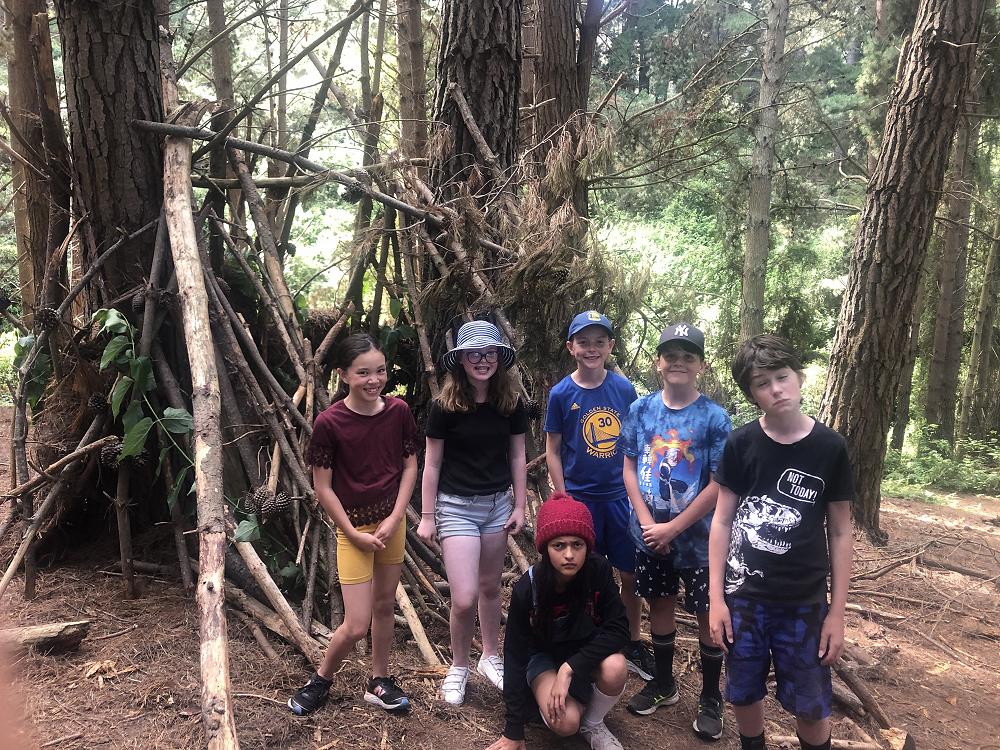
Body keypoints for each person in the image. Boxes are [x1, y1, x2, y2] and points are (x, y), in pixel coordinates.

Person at [708, 334, 854, 750]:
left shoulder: (830, 447)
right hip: (744, 598)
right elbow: (722, 520)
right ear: (751, 394)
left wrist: (836, 613)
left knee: (811, 703)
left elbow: (841, 531)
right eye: (762, 383)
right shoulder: (741, 444)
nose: (776, 389)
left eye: (782, 376)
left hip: (805, 602)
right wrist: (716, 599)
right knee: (744, 690)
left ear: (799, 377)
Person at [288, 334, 419, 716]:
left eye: (380, 371)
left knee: (384, 605)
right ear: (344, 375)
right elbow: (323, 488)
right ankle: (320, 680)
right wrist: (352, 533)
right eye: (363, 373)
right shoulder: (329, 423)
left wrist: (395, 517)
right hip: (353, 530)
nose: (374, 380)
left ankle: (379, 681)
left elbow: (410, 466)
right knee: (357, 623)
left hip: (391, 525)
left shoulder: (398, 412)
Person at [620, 322, 731, 740]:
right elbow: (629, 467)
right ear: (658, 363)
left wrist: (674, 527)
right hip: (649, 536)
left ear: (701, 365)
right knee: (660, 604)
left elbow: (719, 483)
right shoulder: (641, 409)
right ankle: (664, 683)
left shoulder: (715, 418)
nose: (678, 363)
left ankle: (710, 696)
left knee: (706, 614)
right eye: (671, 356)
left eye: (688, 356)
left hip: (700, 541)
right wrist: (649, 524)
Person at [417, 320, 528, 705]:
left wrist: (520, 504)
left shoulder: (510, 403)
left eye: (489, 352)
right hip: (456, 507)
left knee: (490, 588)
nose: (482, 360)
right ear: (461, 360)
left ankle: (491, 656)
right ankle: (459, 665)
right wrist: (427, 515)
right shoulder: (444, 406)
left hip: (497, 505)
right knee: (464, 597)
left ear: (499, 357)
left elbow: (517, 456)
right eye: (474, 354)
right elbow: (432, 463)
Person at [543, 311, 653, 680]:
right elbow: (553, 450)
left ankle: (631, 640)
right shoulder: (561, 394)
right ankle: (586, 639)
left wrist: (638, 492)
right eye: (584, 342)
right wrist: (564, 497)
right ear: (570, 347)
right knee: (584, 573)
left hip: (620, 498)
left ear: (610, 346)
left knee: (629, 575)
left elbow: (635, 444)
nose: (592, 349)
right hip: (581, 500)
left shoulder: (623, 389)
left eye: (599, 342)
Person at [485, 492, 629, 750]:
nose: (569, 554)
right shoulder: (528, 589)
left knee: (616, 667)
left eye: (577, 544)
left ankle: (593, 723)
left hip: (583, 653)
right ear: (545, 548)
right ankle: (551, 701)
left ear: (588, 546)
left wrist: (569, 668)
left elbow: (619, 629)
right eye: (559, 546)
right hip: (542, 658)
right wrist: (513, 730)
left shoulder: (598, 571)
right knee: (565, 722)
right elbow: (515, 655)